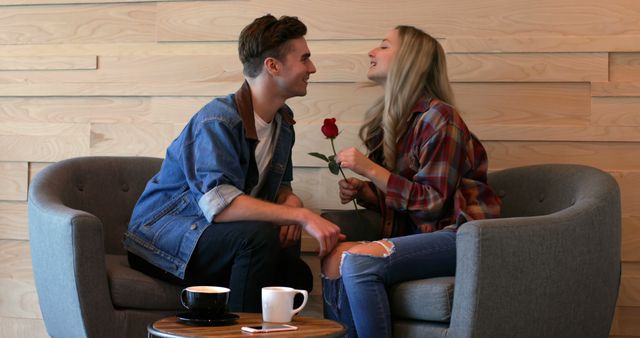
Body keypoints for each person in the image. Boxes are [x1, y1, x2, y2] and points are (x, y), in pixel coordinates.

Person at [123, 14, 345, 313]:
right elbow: (221, 205)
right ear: (273, 65)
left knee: (296, 276)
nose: (312, 68)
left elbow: (280, 190)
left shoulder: (283, 123)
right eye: (304, 58)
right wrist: (303, 216)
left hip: (217, 237)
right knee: (259, 237)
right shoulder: (219, 119)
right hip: (162, 240)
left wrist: (291, 202)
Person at [321, 26, 501, 337]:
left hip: (461, 238)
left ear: (409, 60)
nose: (371, 53)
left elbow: (432, 203)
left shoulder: (441, 118)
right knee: (334, 258)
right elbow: (408, 199)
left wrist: (370, 170)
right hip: (420, 236)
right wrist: (366, 192)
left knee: (359, 262)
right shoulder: (395, 122)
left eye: (383, 46)